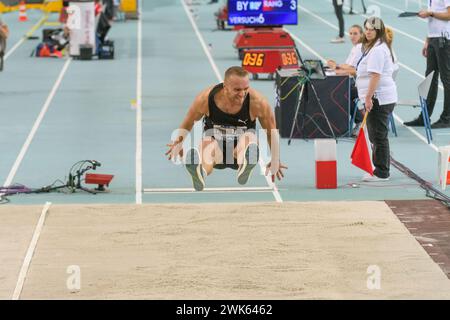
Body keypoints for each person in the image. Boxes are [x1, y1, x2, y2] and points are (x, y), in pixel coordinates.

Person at [165, 66, 287, 191]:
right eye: (237, 90)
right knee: (207, 143)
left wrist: (275, 158)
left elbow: (271, 131)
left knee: (249, 137)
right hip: (215, 149)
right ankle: (200, 172)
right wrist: (178, 142)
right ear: (225, 87)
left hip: (239, 150)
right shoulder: (206, 99)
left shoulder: (257, 102)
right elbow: (189, 120)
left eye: (246, 89)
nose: (242, 94)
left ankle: (245, 165)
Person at [356, 17, 398, 181]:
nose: (368, 31)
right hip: (380, 96)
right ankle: (380, 165)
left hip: (379, 97)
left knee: (378, 135)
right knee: (376, 135)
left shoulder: (378, 50)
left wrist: (368, 98)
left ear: (378, 31)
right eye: (366, 28)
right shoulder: (373, 47)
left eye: (371, 29)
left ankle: (382, 172)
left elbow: (375, 76)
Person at [404, 0, 449, 129]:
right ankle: (425, 116)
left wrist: (430, 13)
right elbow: (433, 21)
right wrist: (427, 41)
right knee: (430, 78)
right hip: (434, 39)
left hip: (444, 40)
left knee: (446, 79)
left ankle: (447, 118)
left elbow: (448, 15)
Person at [327, 24, 364, 136]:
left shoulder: (360, 48)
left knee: (341, 95)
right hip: (356, 82)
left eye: (355, 34)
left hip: (362, 85)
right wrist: (336, 66)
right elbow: (347, 65)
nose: (352, 36)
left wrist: (336, 68)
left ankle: (359, 121)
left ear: (361, 34)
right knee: (340, 93)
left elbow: (352, 70)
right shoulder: (355, 47)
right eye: (351, 34)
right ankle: (340, 123)